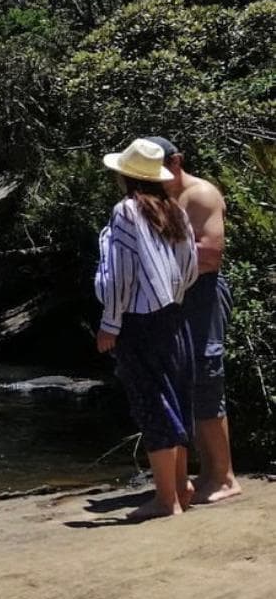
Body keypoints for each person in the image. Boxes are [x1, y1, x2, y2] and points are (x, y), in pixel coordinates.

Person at [95, 138, 200, 520]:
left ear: (126, 176)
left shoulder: (126, 212)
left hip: (139, 321)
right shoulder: (175, 210)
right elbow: (190, 268)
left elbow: (118, 275)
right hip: (173, 315)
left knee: (152, 402)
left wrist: (110, 324)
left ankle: (165, 500)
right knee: (175, 397)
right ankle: (181, 487)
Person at [149, 136, 242, 503]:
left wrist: (154, 249)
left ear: (177, 161)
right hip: (173, 298)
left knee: (207, 376)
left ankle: (224, 476)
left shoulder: (200, 194)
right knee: (183, 382)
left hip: (202, 295)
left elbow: (211, 254)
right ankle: (205, 474)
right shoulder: (157, 197)